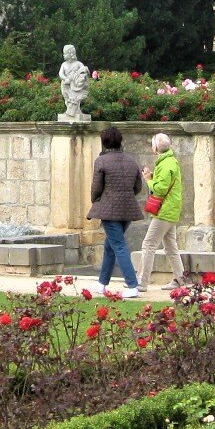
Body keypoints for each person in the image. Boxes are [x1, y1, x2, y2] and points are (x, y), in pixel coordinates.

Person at [86, 126, 143, 299]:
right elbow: (138, 186)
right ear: (120, 141)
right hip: (128, 208)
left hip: (109, 209)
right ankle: (102, 283)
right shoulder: (131, 160)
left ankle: (132, 285)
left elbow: (96, 187)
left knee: (118, 245)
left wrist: (96, 200)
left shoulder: (101, 161)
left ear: (104, 143)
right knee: (110, 245)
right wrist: (127, 196)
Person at [137, 133, 187, 291]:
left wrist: (148, 180)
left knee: (148, 245)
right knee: (171, 247)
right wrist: (153, 176)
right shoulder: (170, 161)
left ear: (155, 147)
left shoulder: (166, 164)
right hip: (171, 210)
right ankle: (180, 280)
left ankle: (141, 282)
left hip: (164, 211)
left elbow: (160, 189)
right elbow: (164, 183)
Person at [59, 45, 90, 121]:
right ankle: (69, 111)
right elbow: (60, 73)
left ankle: (76, 111)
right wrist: (65, 79)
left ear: (71, 54)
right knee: (67, 98)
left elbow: (84, 71)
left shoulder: (78, 63)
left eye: (65, 53)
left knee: (75, 98)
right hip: (65, 84)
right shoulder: (64, 64)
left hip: (75, 85)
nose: (63, 55)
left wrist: (84, 71)